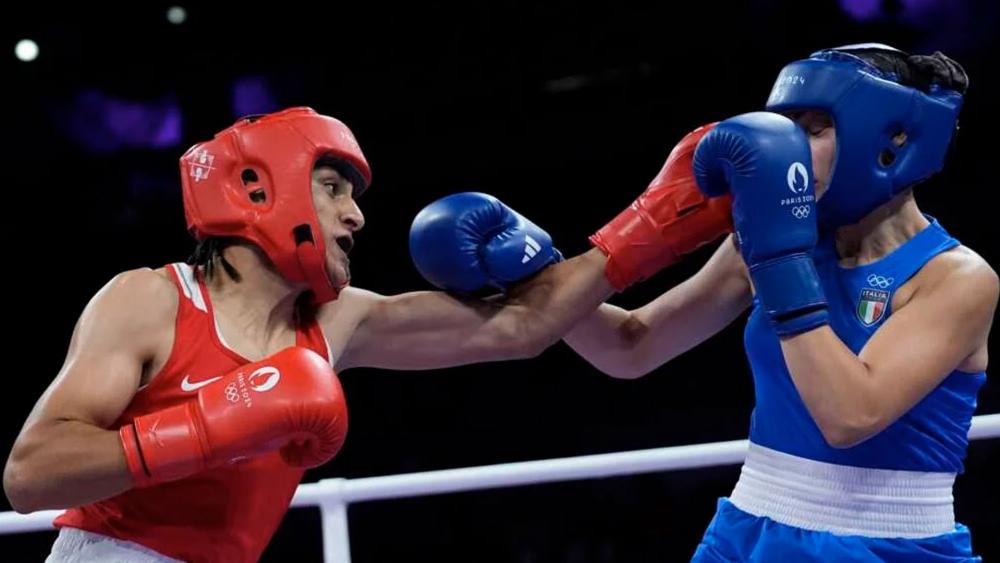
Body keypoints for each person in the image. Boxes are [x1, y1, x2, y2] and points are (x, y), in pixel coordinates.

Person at [3, 106, 732, 562]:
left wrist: (642, 230)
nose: (356, 217)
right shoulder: (150, 299)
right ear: (262, 188)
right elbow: (29, 475)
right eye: (334, 189)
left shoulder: (335, 321)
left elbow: (523, 325)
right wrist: (205, 425)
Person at [564, 44, 997, 561]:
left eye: (814, 130)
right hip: (746, 526)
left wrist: (778, 261)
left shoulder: (955, 278)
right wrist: (538, 278)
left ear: (891, 140)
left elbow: (849, 416)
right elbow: (629, 348)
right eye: (786, 129)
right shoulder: (771, 242)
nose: (788, 150)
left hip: (886, 544)